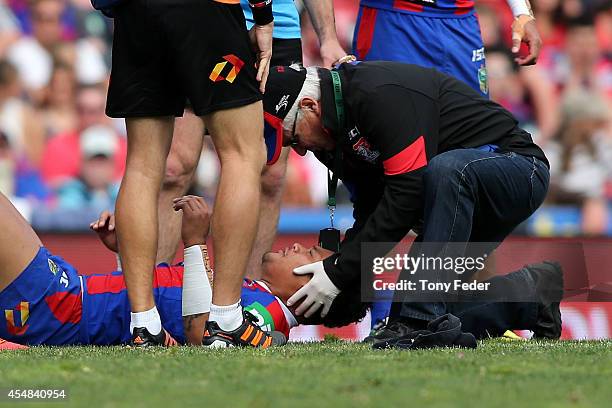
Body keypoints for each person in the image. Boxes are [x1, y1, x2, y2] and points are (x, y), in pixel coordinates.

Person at [0, 192, 561, 348]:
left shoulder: (265, 319)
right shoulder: (247, 293)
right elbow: (158, 308)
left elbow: (202, 339)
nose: (297, 248)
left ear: (311, 290)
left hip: (56, 306)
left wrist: (195, 246)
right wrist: (129, 253)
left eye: (310, 259)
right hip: (64, 291)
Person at [260, 61, 552, 347]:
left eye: (293, 137)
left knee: (446, 170)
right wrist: (344, 273)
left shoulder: (375, 94)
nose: (297, 149)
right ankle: (532, 300)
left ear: (311, 106)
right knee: (420, 305)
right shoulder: (327, 137)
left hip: (518, 168)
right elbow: (372, 208)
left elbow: (407, 192)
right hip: (453, 198)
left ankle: (420, 322)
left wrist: (339, 270)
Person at [103, 0, 280, 348]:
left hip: (137, 13)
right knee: (243, 154)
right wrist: (262, 15)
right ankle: (227, 318)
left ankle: (144, 326)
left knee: (141, 165)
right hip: (206, 12)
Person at [156, 0, 347, 280]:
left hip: (278, 29)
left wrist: (328, 38)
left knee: (269, 175)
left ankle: (245, 302)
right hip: (199, 20)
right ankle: (147, 302)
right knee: (173, 168)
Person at [352, 0, 543, 97]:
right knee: (390, 130)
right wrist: (328, 39)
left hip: (459, 20)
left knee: (474, 130)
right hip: (394, 18)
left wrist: (522, 12)